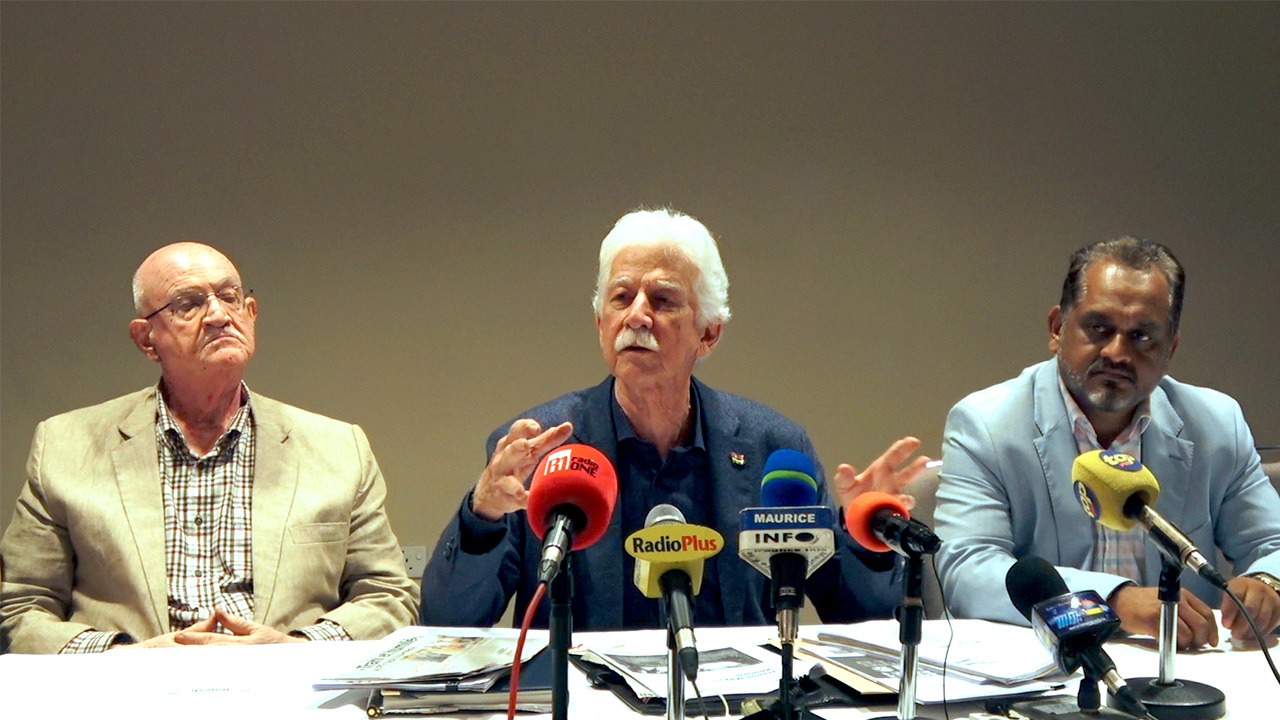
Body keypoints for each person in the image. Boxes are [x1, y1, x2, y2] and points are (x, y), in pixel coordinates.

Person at [422, 208, 929, 629]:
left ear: (709, 334)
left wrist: (868, 538)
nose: (637, 316)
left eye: (662, 300)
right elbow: (447, 621)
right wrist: (482, 514)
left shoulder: (772, 446)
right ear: (601, 324)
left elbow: (862, 616)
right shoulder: (539, 450)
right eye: (621, 298)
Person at [0, 242, 419, 653]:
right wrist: (124, 659)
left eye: (230, 297)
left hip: (290, 696)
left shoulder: (339, 447)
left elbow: (388, 596)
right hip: (130, 698)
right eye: (188, 303)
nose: (219, 315)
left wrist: (295, 648)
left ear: (250, 315)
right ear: (146, 339)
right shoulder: (64, 446)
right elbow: (21, 608)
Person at [934, 236, 1280, 648]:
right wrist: (1114, 600)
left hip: (1185, 670)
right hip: (1048, 669)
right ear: (1057, 329)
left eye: (1142, 337)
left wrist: (1266, 582)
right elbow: (967, 571)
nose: (1117, 352)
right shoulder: (986, 425)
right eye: (1098, 328)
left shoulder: (1216, 424)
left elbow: (1270, 543)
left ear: (1171, 348)